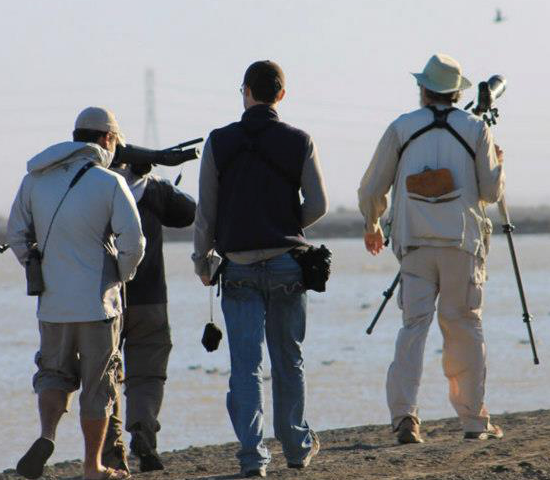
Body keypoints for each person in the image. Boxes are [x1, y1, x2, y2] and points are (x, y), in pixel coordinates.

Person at [358, 54, 506, 444]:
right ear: (457, 92)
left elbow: (372, 188)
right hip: (462, 244)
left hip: (415, 244)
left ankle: (405, 418)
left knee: (413, 329)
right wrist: (498, 163)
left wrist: (372, 224)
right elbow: (490, 191)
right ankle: (474, 421)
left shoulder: (402, 128)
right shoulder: (475, 129)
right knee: (464, 327)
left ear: (424, 90)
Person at [193, 60, 328, 478]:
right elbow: (319, 204)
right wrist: (285, 227)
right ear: (281, 96)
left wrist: (202, 261)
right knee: (290, 360)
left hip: (238, 269)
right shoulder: (300, 140)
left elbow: (206, 214)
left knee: (246, 366)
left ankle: (253, 458)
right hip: (289, 265)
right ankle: (296, 446)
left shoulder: (218, 141)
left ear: (245, 91)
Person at [7, 107, 145, 480]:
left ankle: (47, 435)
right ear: (106, 139)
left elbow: (16, 235)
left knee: (52, 374)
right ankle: (92, 466)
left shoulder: (34, 179)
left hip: (52, 303)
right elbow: (135, 242)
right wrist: (121, 275)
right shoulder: (109, 183)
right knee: (98, 385)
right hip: (98, 304)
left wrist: (37, 268)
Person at [103, 159, 196, 473]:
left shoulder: (88, 185)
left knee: (103, 375)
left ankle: (111, 452)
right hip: (151, 299)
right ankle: (143, 430)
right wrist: (155, 179)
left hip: (100, 299)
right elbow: (188, 213)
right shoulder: (152, 188)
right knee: (148, 375)